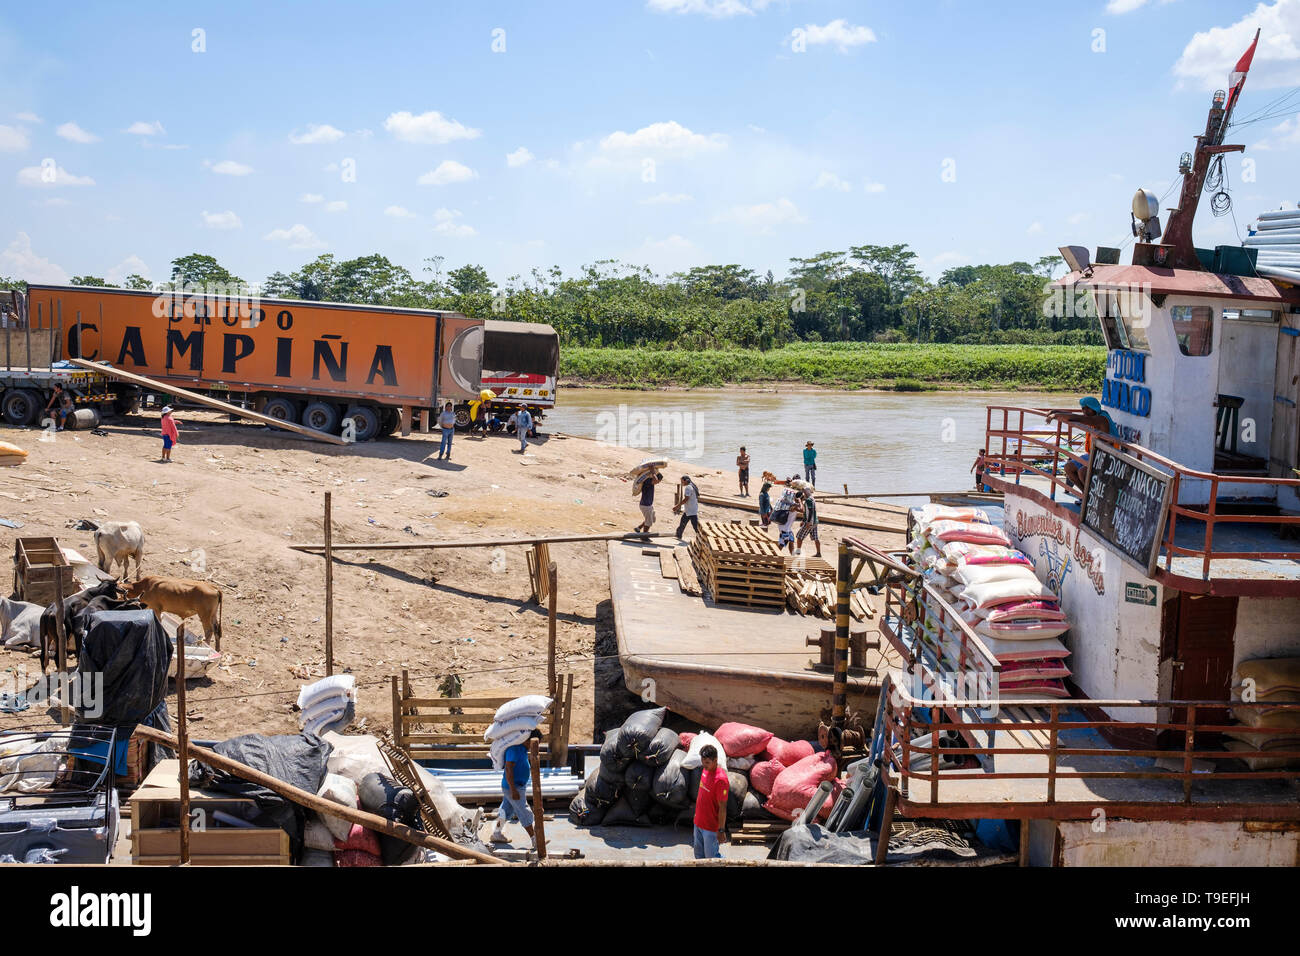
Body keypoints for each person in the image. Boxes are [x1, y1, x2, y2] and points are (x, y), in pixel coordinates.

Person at [1046, 397, 1115, 490]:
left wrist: (1055, 415)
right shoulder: (1092, 416)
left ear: (1094, 407)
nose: (1085, 411)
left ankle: (1089, 498)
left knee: (1083, 472)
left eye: (1088, 408)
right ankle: (1085, 496)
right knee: (1068, 467)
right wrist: (1055, 411)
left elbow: (1079, 418)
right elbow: (1075, 416)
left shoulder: (1101, 418)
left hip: (1107, 456)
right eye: (1083, 408)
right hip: (1094, 454)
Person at [491, 729, 543, 850]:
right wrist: (513, 790)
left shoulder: (523, 749)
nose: (536, 746)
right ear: (528, 740)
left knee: (505, 811)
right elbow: (508, 770)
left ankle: (496, 834)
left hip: (516, 786)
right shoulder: (514, 749)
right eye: (535, 743)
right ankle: (535, 840)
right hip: (512, 787)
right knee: (524, 812)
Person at [693, 744, 729, 859]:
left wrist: (721, 830)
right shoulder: (705, 770)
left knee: (712, 859)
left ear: (716, 760)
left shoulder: (721, 779)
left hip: (710, 828)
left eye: (707, 762)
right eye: (703, 761)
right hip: (698, 823)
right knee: (698, 857)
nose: (704, 765)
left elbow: (722, 807)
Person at [673, 475, 700, 539]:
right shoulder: (692, 485)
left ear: (686, 481)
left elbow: (686, 499)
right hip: (692, 508)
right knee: (683, 522)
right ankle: (678, 535)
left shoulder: (688, 487)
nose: (682, 483)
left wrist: (677, 506)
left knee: (695, 526)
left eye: (682, 481)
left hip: (691, 510)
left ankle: (701, 536)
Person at [796, 488, 821, 558]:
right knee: (816, 538)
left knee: (799, 537)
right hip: (815, 521)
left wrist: (808, 522)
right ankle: (819, 553)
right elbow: (806, 512)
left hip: (810, 522)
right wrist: (803, 520)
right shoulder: (811, 498)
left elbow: (810, 512)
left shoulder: (808, 500)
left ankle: (798, 553)